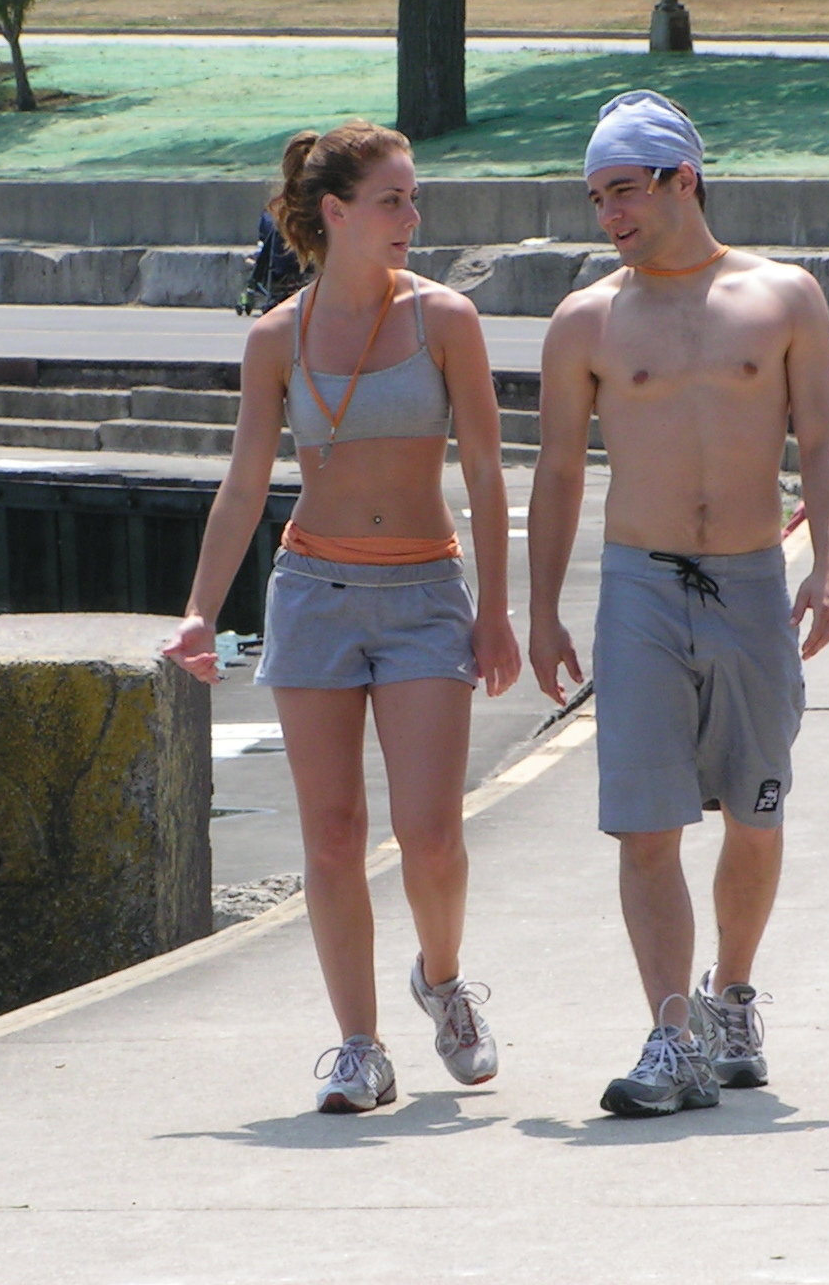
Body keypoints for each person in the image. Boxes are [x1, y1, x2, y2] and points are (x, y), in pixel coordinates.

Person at [162, 120, 522, 1115]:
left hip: (422, 596)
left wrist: (495, 610)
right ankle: (358, 1047)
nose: (412, 217)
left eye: (412, 198)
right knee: (329, 836)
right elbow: (243, 486)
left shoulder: (444, 319)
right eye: (392, 201)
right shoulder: (274, 337)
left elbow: (487, 473)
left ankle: (442, 984)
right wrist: (198, 612)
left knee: (429, 834)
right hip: (312, 594)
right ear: (334, 214)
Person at [526, 91, 829, 1119]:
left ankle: (730, 996)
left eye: (623, 189)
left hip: (751, 580)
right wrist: (541, 611)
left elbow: (824, 438)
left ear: (682, 179)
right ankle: (670, 1035)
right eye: (593, 197)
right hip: (639, 583)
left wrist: (828, 565)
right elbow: (559, 477)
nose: (607, 213)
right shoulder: (586, 318)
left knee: (756, 811)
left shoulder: (782, 296)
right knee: (645, 821)